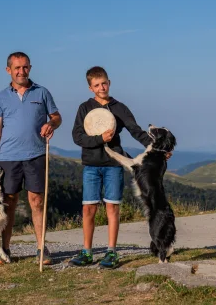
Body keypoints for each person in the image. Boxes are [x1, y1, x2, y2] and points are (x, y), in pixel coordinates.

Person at [70, 66, 168, 269]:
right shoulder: (84, 108)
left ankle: (111, 252)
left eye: (104, 83)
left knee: (112, 208)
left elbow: (137, 131)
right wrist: (99, 139)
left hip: (114, 165)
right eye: (96, 85)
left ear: (109, 82)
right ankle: (87, 252)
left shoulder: (120, 108)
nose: (101, 87)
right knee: (88, 208)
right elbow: (77, 136)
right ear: (90, 88)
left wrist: (158, 149)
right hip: (90, 165)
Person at [0, 51, 62, 266]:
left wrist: (51, 124)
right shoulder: (0, 97)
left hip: (35, 154)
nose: (21, 71)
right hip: (8, 157)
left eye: (25, 67)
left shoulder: (42, 92)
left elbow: (56, 117)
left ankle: (42, 249)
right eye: (17, 68)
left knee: (37, 201)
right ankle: (3, 251)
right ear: (9, 70)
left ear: (30, 68)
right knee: (8, 204)